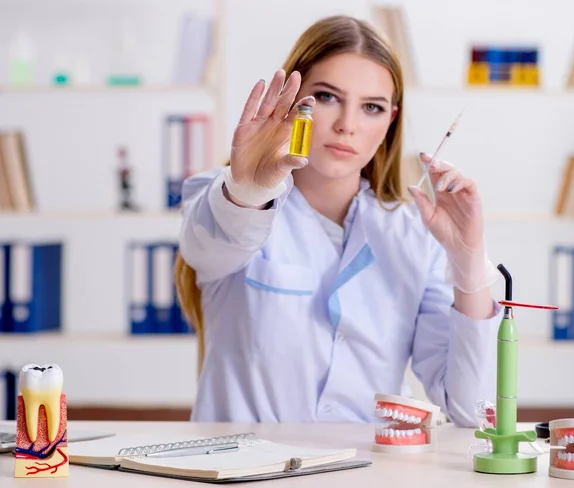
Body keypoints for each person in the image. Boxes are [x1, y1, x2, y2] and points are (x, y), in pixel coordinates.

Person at [175, 14, 502, 428]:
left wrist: (469, 264)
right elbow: (208, 247)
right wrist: (248, 191)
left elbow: (472, 410)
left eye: (371, 107)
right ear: (290, 103)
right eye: (327, 97)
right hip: (245, 468)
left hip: (366, 468)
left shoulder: (415, 232)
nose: (347, 124)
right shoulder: (226, 197)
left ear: (390, 122)